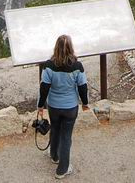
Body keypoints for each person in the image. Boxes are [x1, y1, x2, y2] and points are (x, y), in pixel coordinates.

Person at [36, 35, 90, 179]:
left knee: (55, 129)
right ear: (70, 48)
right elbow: (83, 87)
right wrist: (85, 103)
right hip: (70, 107)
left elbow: (44, 88)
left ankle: (54, 156)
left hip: (54, 106)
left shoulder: (48, 65)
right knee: (66, 137)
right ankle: (62, 169)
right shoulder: (77, 66)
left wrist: (40, 105)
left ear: (56, 47)